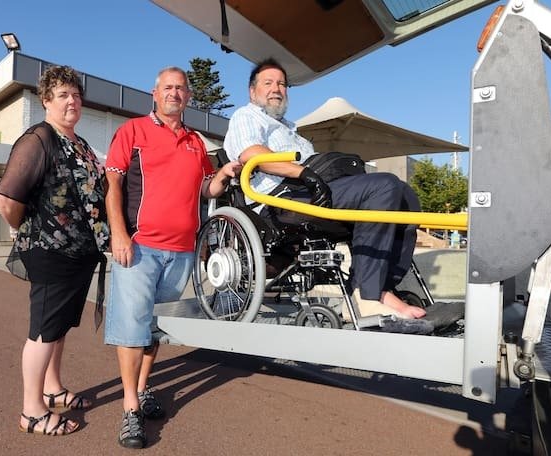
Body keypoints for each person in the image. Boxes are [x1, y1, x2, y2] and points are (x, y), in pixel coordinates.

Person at [223, 58, 426, 321]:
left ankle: (381, 288)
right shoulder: (246, 116)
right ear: (253, 91)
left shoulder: (292, 129)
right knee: (384, 185)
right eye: (268, 83)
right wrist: (304, 173)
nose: (277, 88)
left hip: (310, 191)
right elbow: (252, 154)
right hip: (282, 199)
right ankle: (367, 295)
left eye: (282, 84)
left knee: (405, 196)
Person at [103, 66, 240, 449]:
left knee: (152, 328)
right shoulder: (133, 132)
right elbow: (112, 183)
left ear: (188, 97)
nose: (174, 94)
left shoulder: (196, 142)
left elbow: (206, 189)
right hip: (140, 247)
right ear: (155, 93)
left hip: (181, 251)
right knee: (132, 328)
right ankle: (130, 409)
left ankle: (143, 389)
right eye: (168, 88)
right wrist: (118, 234)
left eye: (180, 89)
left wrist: (225, 173)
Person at [0, 65, 109, 436]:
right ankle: (32, 410)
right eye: (63, 95)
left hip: (77, 253)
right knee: (43, 330)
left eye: (76, 95)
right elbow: (6, 197)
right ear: (45, 100)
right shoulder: (39, 138)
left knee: (58, 327)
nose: (72, 101)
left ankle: (52, 388)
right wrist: (29, 229)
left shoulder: (79, 143)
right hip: (51, 252)